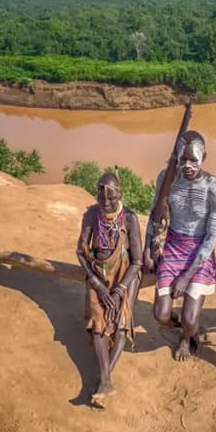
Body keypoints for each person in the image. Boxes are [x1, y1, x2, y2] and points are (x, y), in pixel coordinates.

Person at [146, 131, 216, 361]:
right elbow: (155, 215)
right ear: (177, 158)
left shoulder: (215, 188)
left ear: (205, 157)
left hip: (200, 251)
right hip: (173, 247)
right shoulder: (167, 178)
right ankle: (185, 327)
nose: (188, 165)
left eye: (194, 160)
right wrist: (148, 250)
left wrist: (186, 276)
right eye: (183, 159)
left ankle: (187, 335)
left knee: (191, 319)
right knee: (161, 314)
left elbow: (211, 237)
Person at [75, 172, 142, 408]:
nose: (107, 203)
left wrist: (118, 291)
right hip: (98, 277)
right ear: (97, 196)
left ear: (120, 194)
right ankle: (105, 381)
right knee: (98, 327)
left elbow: (137, 262)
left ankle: (103, 381)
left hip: (125, 277)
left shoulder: (130, 219)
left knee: (122, 325)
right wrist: (98, 285)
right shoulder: (91, 215)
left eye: (111, 199)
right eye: (102, 198)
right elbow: (81, 252)